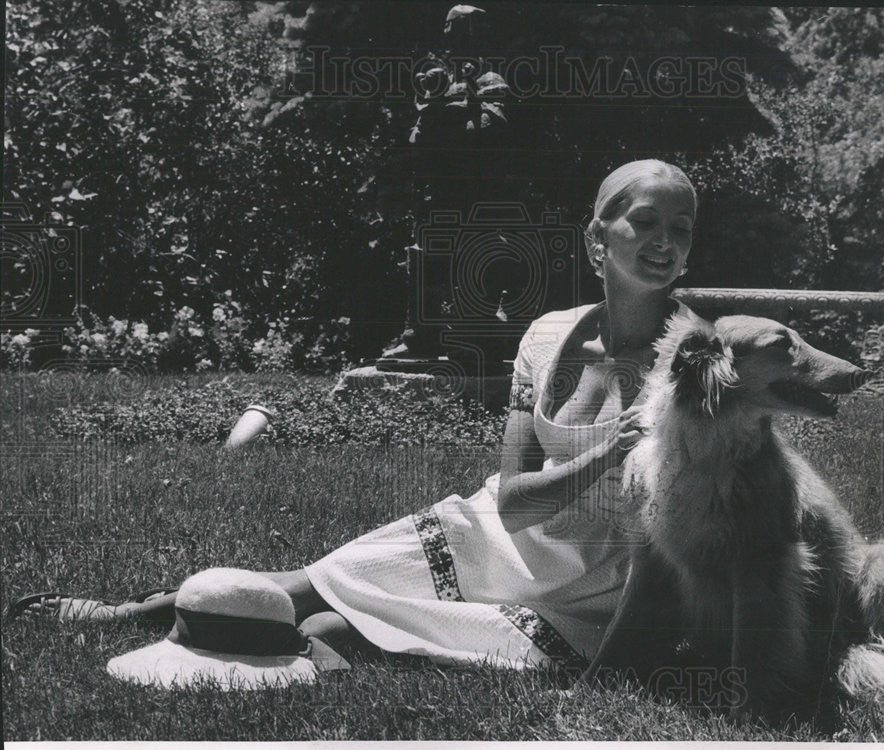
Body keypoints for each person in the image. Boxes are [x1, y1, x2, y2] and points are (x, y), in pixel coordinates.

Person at [15, 159, 698, 669]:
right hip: (494, 532)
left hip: (585, 589)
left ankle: (240, 637)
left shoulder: (700, 366)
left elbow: (691, 537)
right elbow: (515, 504)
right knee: (301, 589)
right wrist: (605, 455)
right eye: (646, 220)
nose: (664, 240)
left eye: (681, 227)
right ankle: (146, 610)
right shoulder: (547, 336)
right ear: (596, 238)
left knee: (330, 635)